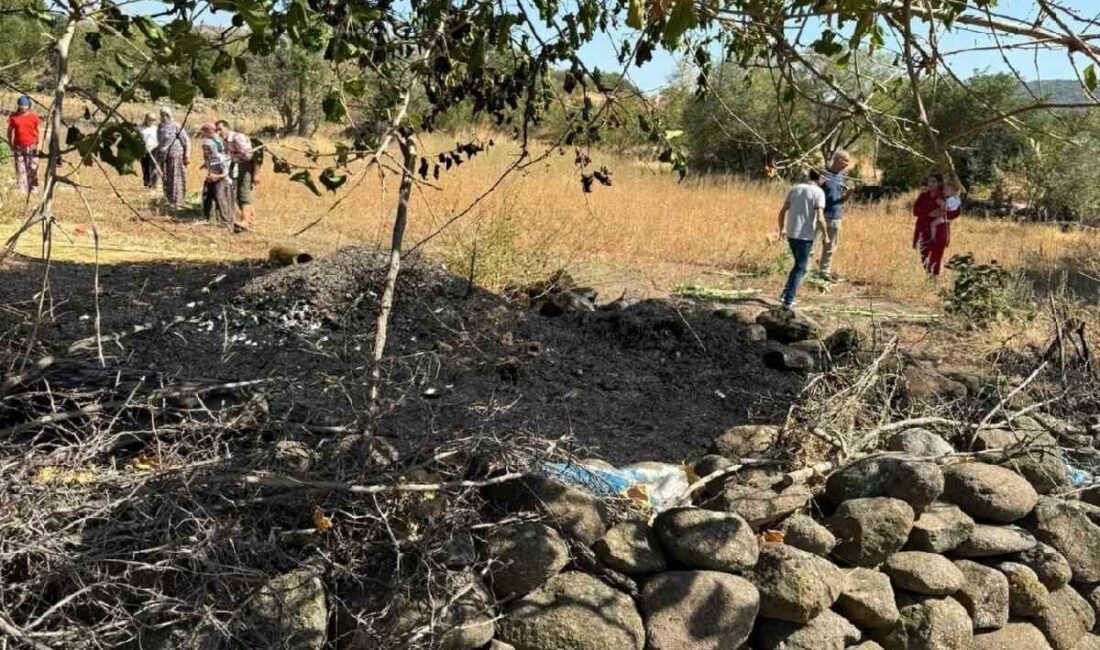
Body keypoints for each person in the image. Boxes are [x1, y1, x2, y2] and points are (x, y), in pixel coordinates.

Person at [778, 169, 830, 310]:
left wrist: (781, 228)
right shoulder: (819, 192)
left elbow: (782, 211)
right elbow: (820, 217)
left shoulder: (795, 188)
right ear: (820, 178)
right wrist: (825, 235)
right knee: (801, 268)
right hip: (805, 235)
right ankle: (788, 301)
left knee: (797, 266)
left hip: (791, 233)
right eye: (824, 177)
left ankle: (785, 293)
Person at [913, 175, 961, 276]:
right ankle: (929, 278)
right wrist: (929, 213)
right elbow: (915, 211)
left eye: (934, 181)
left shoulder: (944, 196)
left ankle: (933, 280)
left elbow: (955, 213)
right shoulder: (923, 196)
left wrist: (943, 213)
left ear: (939, 183)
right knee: (924, 257)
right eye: (929, 181)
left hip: (939, 232)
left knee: (935, 258)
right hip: (923, 230)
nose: (931, 184)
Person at [816, 149, 852, 280]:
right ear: (837, 159)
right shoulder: (824, 174)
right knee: (812, 245)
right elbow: (814, 193)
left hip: (836, 216)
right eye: (846, 160)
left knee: (830, 247)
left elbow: (840, 200)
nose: (847, 164)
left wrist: (848, 194)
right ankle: (805, 271)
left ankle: (824, 273)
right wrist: (818, 185)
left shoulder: (842, 177)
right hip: (821, 216)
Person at [216, 119, 258, 227]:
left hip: (247, 164)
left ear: (226, 128)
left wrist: (234, 157)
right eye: (217, 130)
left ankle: (245, 220)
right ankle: (250, 218)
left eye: (220, 129)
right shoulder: (225, 140)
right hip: (237, 165)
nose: (219, 132)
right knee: (238, 192)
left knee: (243, 192)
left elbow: (248, 155)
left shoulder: (236, 137)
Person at [198, 122, 239, 230]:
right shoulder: (209, 158)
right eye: (204, 150)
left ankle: (226, 221)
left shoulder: (220, 157)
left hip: (222, 179)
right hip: (212, 178)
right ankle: (205, 217)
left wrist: (216, 176)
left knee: (220, 197)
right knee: (206, 195)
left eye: (208, 149)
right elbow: (209, 165)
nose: (206, 151)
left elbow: (225, 173)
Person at [155, 107, 191, 210]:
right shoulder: (160, 127)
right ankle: (169, 200)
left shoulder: (176, 126)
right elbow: (159, 142)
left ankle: (177, 202)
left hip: (176, 155)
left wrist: (187, 156)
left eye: (166, 115)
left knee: (176, 177)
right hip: (164, 156)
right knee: (166, 178)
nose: (164, 117)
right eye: (162, 115)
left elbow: (186, 141)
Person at [6, 95, 40, 195]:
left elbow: (39, 132)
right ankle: (22, 189)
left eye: (25, 105)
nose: (23, 107)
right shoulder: (14, 117)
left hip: (31, 145)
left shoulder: (33, 117)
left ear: (29, 106)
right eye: (21, 105)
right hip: (18, 146)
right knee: (20, 167)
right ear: (18, 105)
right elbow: (9, 131)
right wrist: (10, 143)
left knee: (32, 166)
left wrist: (39, 145)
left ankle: (33, 188)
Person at [138, 112, 159, 189]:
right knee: (145, 167)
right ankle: (147, 183)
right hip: (144, 150)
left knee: (153, 167)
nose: (152, 121)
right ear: (146, 119)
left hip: (154, 149)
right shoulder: (140, 128)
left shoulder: (156, 129)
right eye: (150, 119)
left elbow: (159, 140)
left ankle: (154, 184)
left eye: (153, 120)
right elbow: (138, 139)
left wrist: (153, 146)